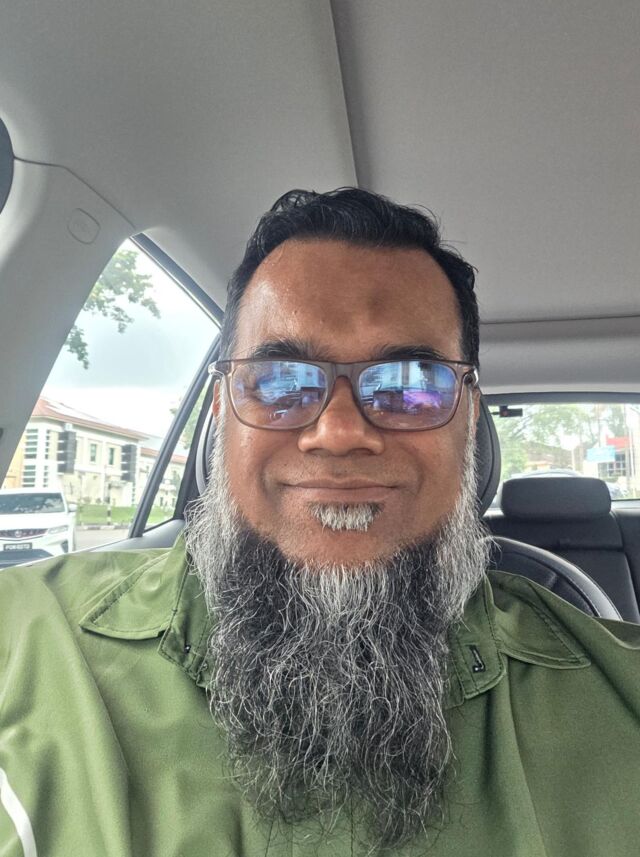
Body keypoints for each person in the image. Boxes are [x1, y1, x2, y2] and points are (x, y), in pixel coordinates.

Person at [1, 188, 639, 857]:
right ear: (221, 413)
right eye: (278, 380)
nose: (338, 432)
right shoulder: (25, 642)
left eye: (411, 383)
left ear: (469, 419)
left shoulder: (618, 701)